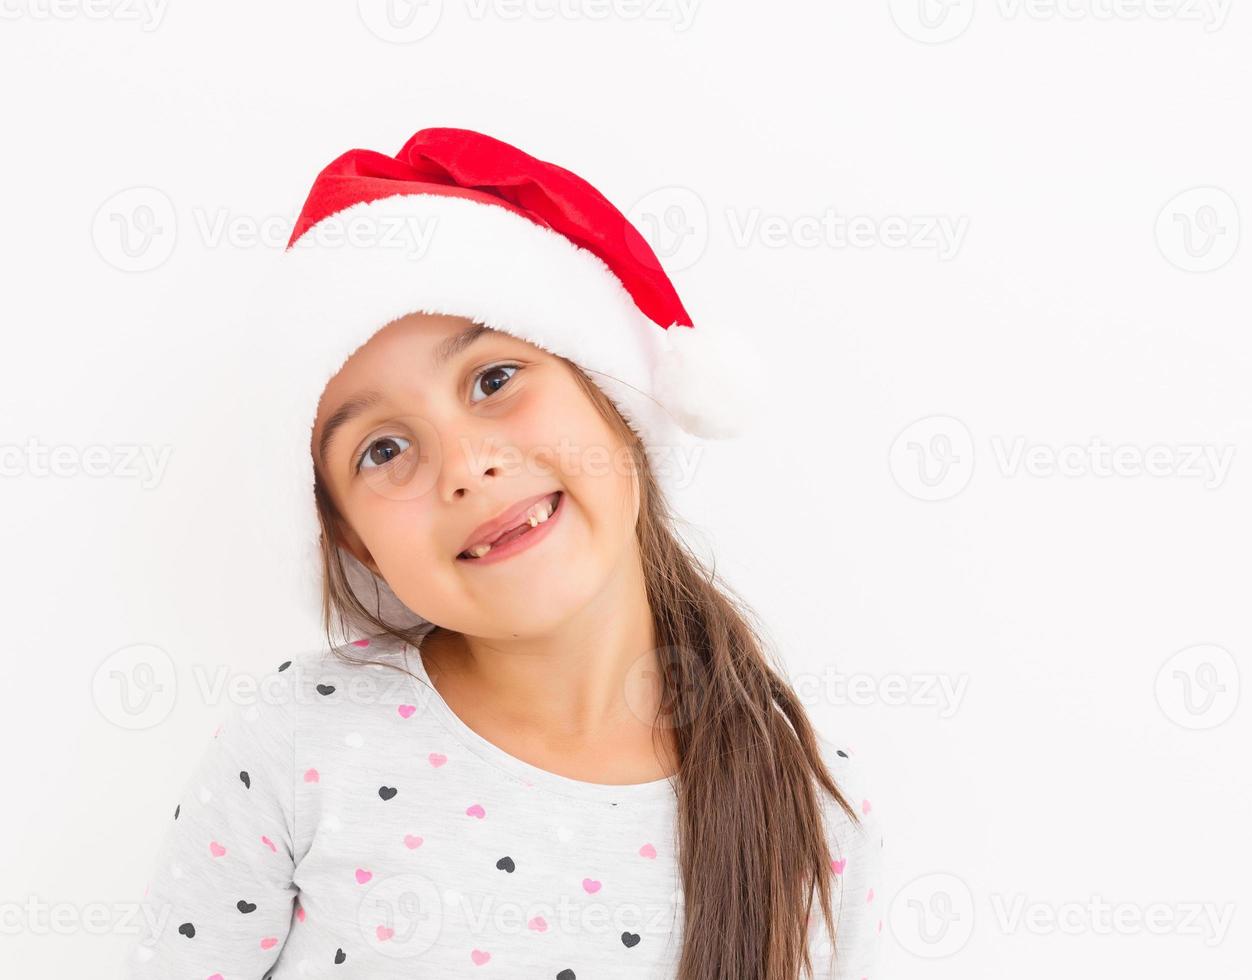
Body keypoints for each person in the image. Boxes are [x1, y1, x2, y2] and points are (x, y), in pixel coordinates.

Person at [121, 126, 883, 979]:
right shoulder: (302, 739)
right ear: (352, 541)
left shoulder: (811, 810)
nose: (466, 468)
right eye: (382, 450)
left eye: (494, 381)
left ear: (613, 401)